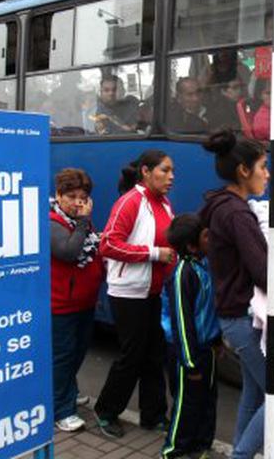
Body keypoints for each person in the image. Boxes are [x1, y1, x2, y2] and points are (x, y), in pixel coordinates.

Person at [199, 129, 274, 459]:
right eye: (263, 166)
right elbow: (263, 270)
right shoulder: (238, 213)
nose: (268, 174)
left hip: (233, 315)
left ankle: (239, 452)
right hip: (244, 317)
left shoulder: (219, 204)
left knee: (254, 392)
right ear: (244, 170)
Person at [94, 150, 177, 438]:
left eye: (172, 171)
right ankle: (106, 411)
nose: (171, 177)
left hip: (153, 291)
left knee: (155, 354)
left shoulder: (163, 203)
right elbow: (108, 245)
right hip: (128, 292)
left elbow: (169, 243)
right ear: (145, 171)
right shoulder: (130, 201)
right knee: (132, 355)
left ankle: (152, 416)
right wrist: (155, 254)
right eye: (164, 171)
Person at [160, 213, 221, 459]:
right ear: (191, 245)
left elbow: (208, 311)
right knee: (187, 404)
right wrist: (190, 361)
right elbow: (182, 323)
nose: (211, 238)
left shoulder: (203, 265)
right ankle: (174, 450)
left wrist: (216, 341)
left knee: (207, 400)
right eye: (206, 235)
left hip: (207, 348)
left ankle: (200, 445)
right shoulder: (183, 274)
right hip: (188, 353)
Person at [49, 168, 104, 432]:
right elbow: (68, 252)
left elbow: (91, 252)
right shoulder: (52, 221)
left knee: (77, 353)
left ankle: (67, 390)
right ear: (58, 195)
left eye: (82, 197)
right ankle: (61, 410)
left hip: (84, 302)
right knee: (63, 356)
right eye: (71, 196)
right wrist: (83, 222)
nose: (77, 202)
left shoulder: (79, 221)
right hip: (62, 305)